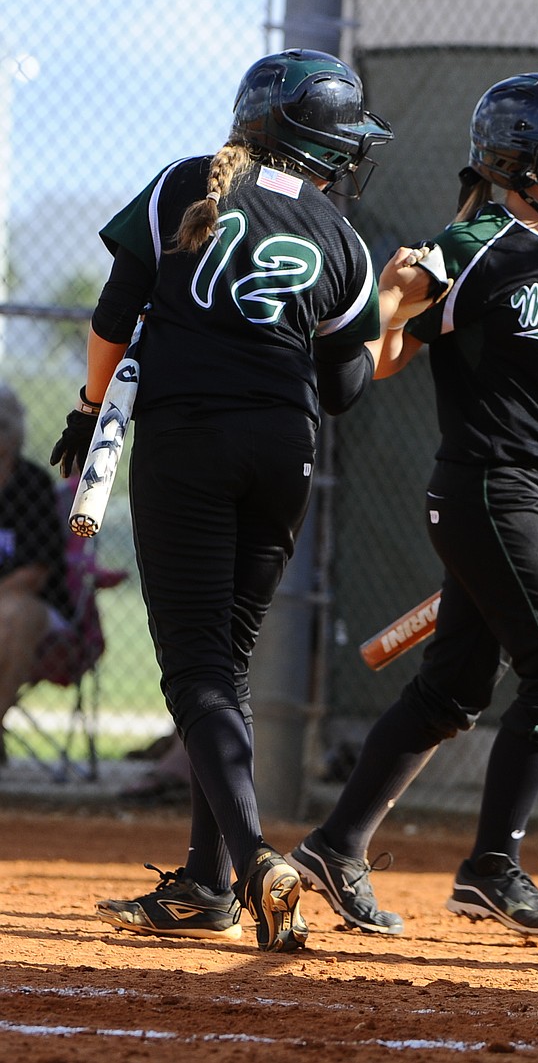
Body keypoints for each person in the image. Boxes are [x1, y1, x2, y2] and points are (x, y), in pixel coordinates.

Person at [50, 49, 394, 952]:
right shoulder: (342, 235)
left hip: (190, 443)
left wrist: (90, 410)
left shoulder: (185, 184)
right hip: (285, 451)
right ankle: (207, 884)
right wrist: (385, 315)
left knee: (196, 668)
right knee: (226, 663)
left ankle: (251, 863)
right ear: (321, 146)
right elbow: (346, 387)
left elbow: (114, 317)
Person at [285, 72, 538, 938]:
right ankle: (491, 867)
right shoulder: (467, 247)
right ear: (515, 158)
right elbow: (379, 362)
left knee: (450, 691)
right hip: (486, 488)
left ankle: (335, 845)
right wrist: (391, 298)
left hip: (531, 485)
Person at [0, 383, 75, 748]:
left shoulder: (32, 484)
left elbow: (36, 573)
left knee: (15, 615)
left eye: (2, 427)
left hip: (36, 605)